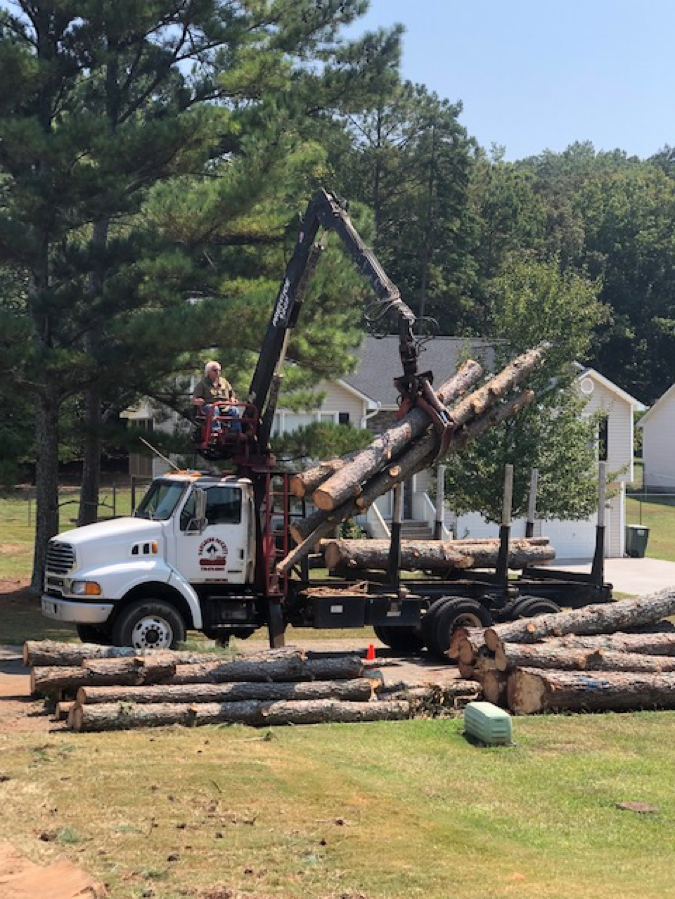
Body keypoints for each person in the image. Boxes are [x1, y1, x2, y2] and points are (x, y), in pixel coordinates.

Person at [192, 361, 241, 434]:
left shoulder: (224, 382)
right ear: (208, 371)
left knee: (234, 410)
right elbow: (194, 399)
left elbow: (231, 395)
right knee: (213, 408)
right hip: (210, 407)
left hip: (225, 406)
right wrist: (198, 401)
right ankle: (216, 430)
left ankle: (236, 431)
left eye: (219, 370)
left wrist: (233, 400)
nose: (217, 372)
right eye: (215, 370)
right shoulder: (202, 384)